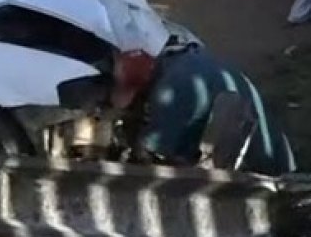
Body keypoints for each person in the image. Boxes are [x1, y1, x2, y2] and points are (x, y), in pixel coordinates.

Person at [111, 46, 296, 176]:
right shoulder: (181, 60)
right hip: (272, 146)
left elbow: (152, 153)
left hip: (259, 172)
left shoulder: (170, 92)